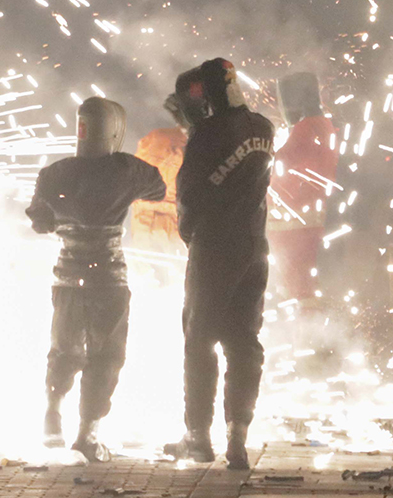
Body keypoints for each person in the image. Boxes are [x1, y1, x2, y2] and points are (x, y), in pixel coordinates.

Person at [26, 96, 167, 462]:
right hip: (108, 278)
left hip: (67, 277)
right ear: (113, 131)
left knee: (64, 349)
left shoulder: (54, 174)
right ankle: (87, 436)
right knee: (106, 356)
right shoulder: (126, 169)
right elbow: (159, 189)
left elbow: (40, 221)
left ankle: (52, 416)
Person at [164, 59, 275, 470]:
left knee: (200, 340)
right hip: (254, 246)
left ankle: (198, 437)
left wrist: (191, 236)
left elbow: (190, 194)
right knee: (244, 341)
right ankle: (238, 434)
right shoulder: (264, 127)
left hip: (214, 248)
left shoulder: (207, 134)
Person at [269, 72, 338, 306]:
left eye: (284, 100)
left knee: (299, 293)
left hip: (295, 230)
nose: (282, 108)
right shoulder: (321, 126)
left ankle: (308, 337)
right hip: (302, 227)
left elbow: (279, 162)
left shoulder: (307, 129)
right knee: (304, 291)